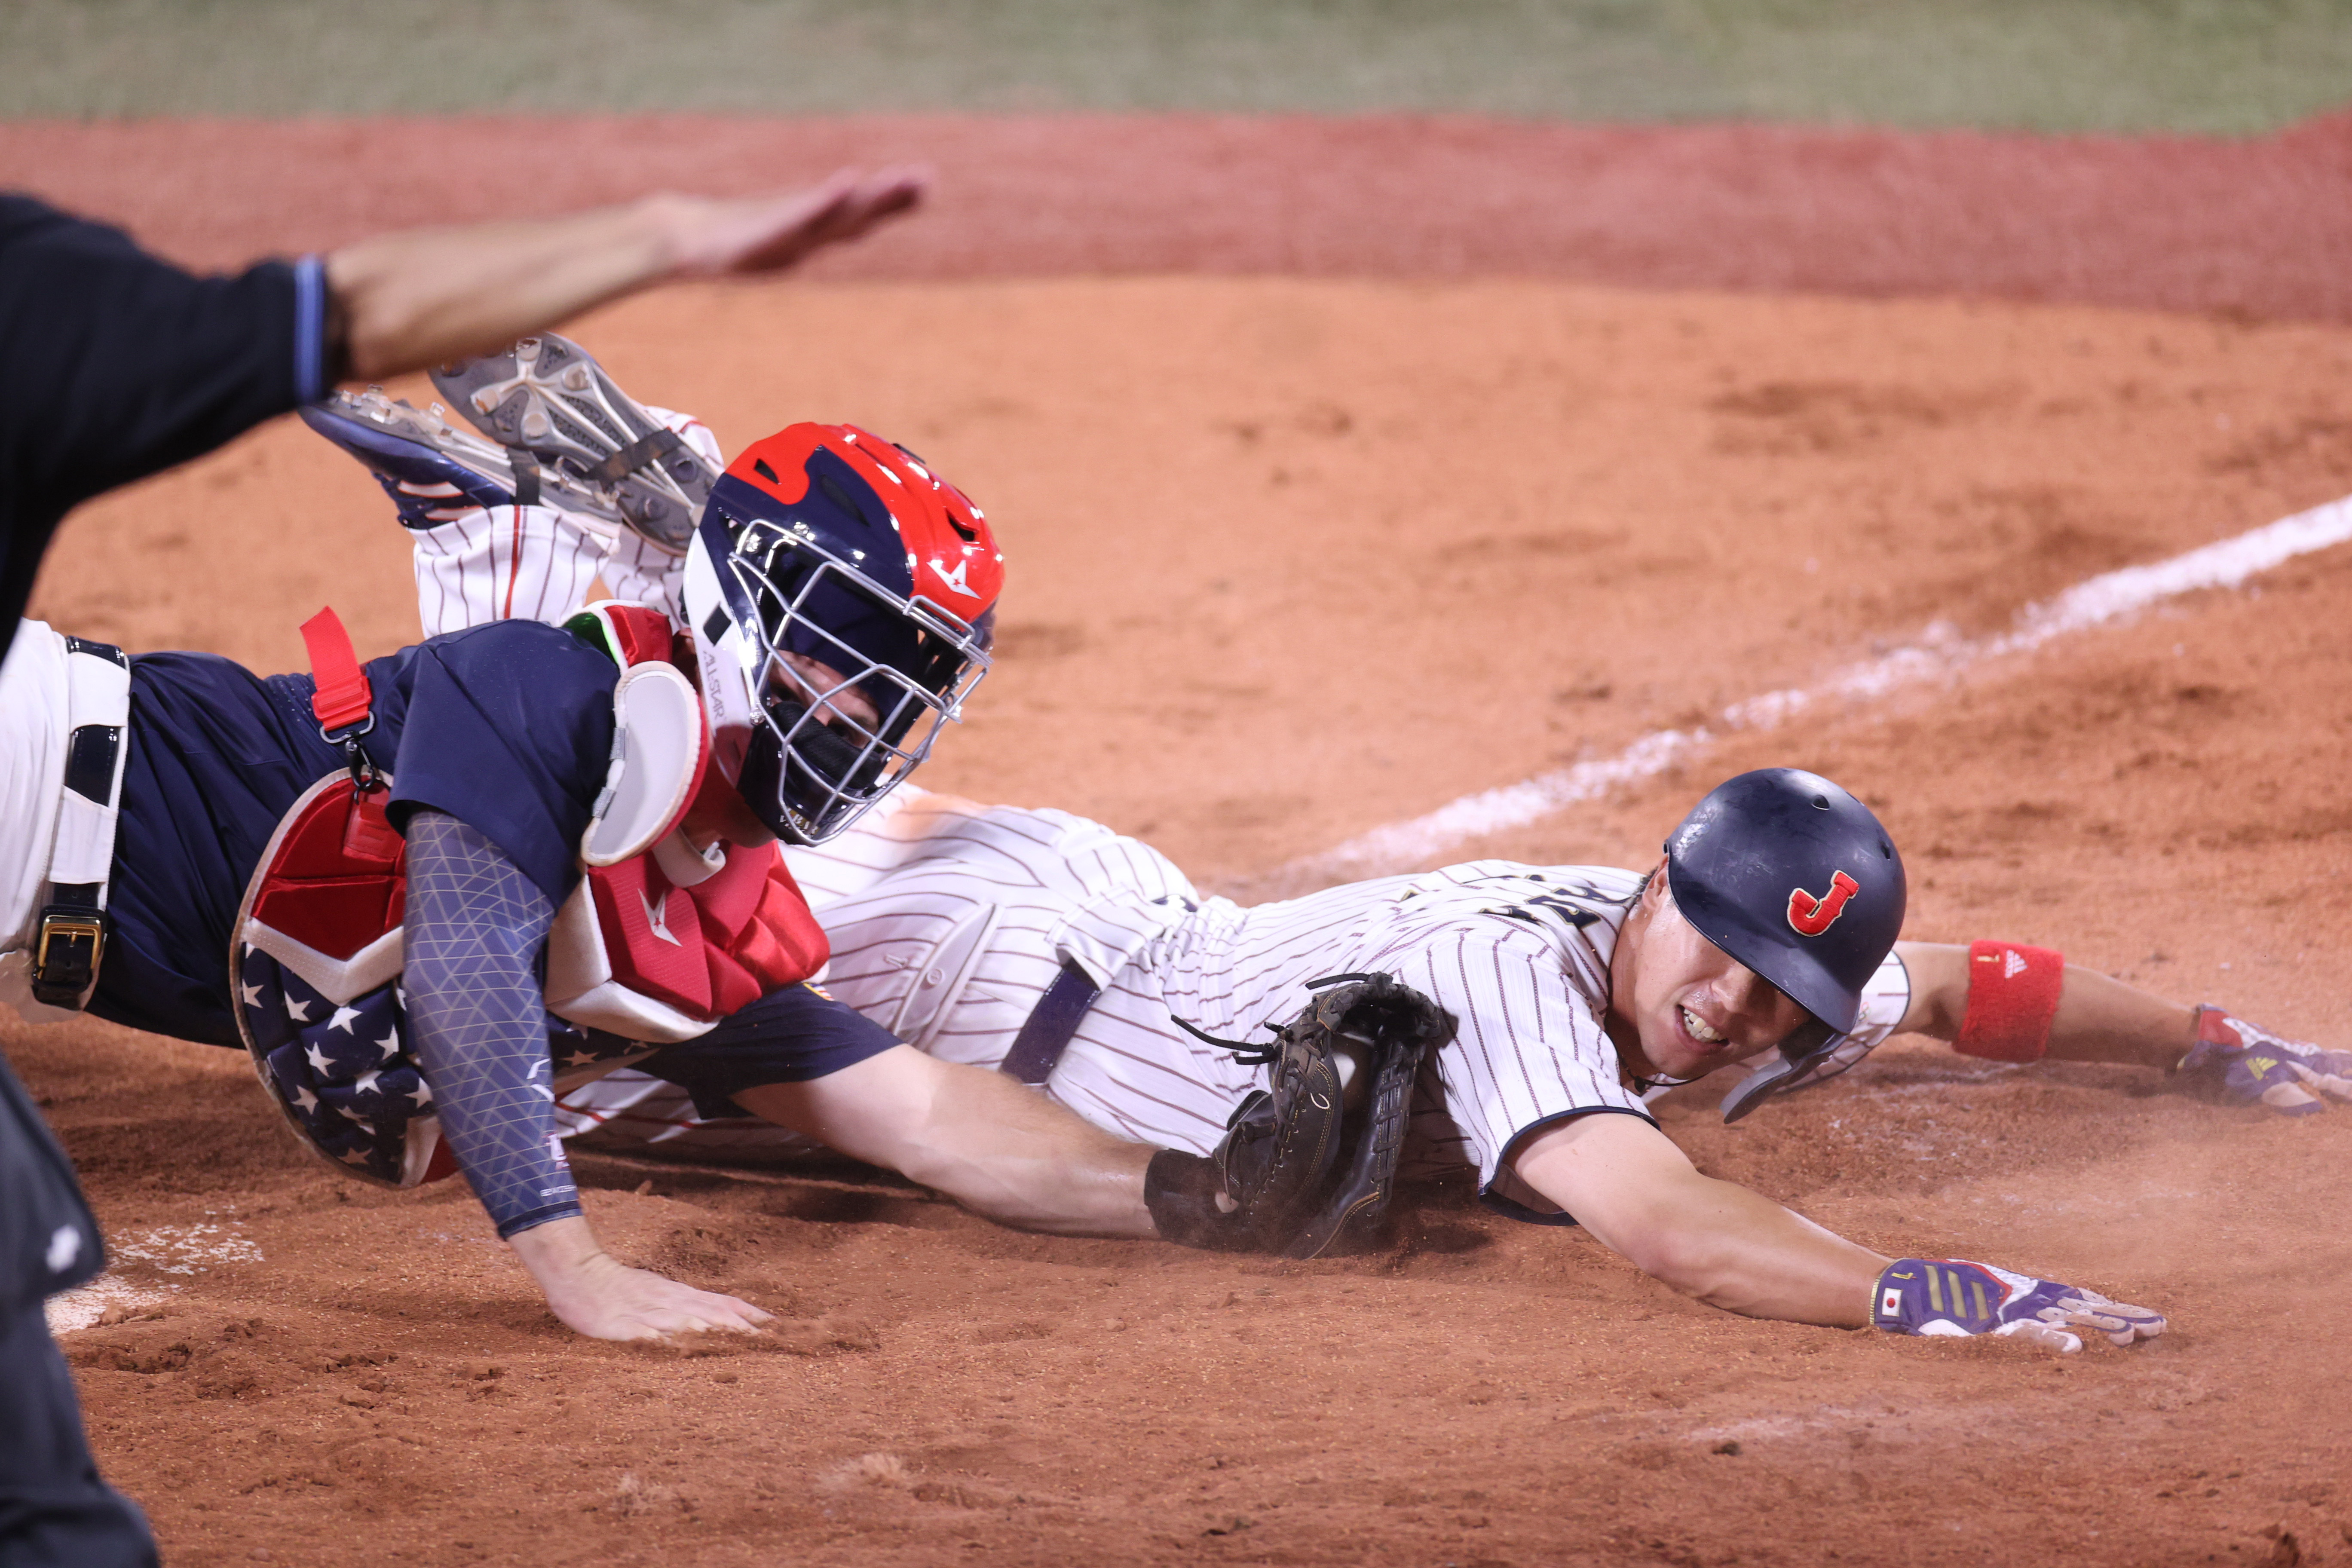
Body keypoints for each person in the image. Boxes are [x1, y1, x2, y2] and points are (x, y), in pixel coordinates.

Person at [0, 168, 920, 1566]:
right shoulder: (44, 283)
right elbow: (343, 308)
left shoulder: (34, 280)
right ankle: (535, 549)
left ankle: (538, 548)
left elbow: (333, 313)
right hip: (49, 764)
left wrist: (1178, 1189)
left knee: (562, 788)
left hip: (62, 745)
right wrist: (571, 1260)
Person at [566, 770, 2349, 1348]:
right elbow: (1666, 1224)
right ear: (1656, 890)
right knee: (572, 938)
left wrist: (2229, 1049)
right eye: (1717, 958)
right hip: (978, 980)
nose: (1729, 1013)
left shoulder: (1759, 975)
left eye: (1778, 996)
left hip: (1102, 914)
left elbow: (1971, 987)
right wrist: (1958, 1297)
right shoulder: (1517, 984)